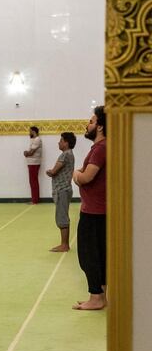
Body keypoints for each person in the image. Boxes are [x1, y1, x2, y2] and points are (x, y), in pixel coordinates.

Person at [73, 106, 107, 311]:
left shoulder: (100, 148)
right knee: (100, 254)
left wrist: (76, 175)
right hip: (100, 210)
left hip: (94, 212)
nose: (88, 124)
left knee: (88, 255)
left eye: (92, 121)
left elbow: (87, 177)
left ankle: (96, 297)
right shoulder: (104, 147)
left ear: (100, 126)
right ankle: (101, 294)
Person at [46, 133, 76, 253]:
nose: (59, 143)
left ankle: (64, 245)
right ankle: (64, 243)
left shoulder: (65, 155)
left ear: (66, 143)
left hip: (62, 190)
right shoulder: (69, 154)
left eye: (61, 141)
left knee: (62, 216)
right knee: (62, 215)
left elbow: (54, 171)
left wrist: (49, 172)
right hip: (65, 189)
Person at [24, 127, 43, 205]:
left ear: (34, 132)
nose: (29, 133)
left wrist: (26, 153)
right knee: (33, 181)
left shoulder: (37, 140)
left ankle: (35, 200)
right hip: (32, 163)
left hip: (34, 163)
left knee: (33, 182)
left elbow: (31, 152)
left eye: (30, 131)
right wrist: (27, 153)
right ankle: (34, 199)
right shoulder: (34, 140)